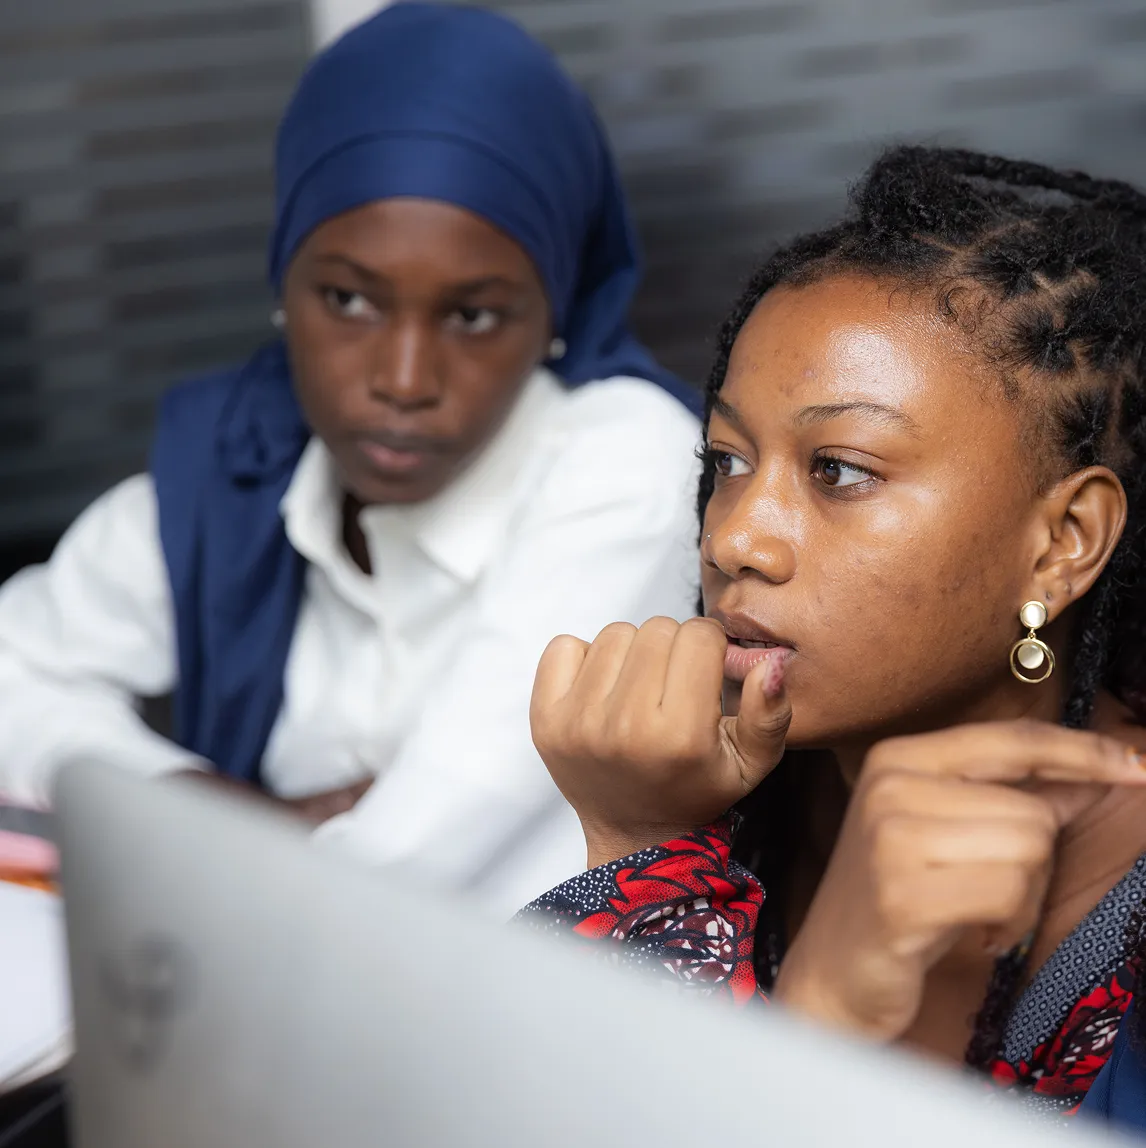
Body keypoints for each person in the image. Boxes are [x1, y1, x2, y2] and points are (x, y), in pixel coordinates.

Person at [0, 3, 702, 917]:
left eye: (474, 315)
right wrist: (206, 807)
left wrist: (279, 854)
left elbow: (378, 893)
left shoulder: (628, 467)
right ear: (283, 282)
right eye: (349, 299)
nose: (403, 380)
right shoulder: (239, 459)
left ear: (554, 316)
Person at [516, 146, 1146, 1113]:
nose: (737, 538)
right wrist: (640, 836)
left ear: (1062, 541)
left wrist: (652, 877)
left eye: (841, 470)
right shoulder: (728, 793)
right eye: (727, 461)